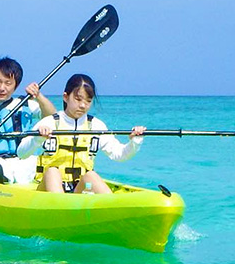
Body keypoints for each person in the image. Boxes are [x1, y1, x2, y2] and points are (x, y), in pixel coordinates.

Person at [17, 73, 145, 194]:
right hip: (47, 191)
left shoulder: (96, 125)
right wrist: (37, 139)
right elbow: (21, 153)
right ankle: (61, 209)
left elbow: (119, 154)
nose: (83, 105)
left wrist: (135, 141)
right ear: (65, 97)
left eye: (88, 101)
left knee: (91, 176)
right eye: (78, 99)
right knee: (52, 172)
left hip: (80, 190)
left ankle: (116, 209)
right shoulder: (49, 122)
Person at [0, 57, 56, 184]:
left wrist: (38, 96)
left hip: (23, 159)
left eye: (8, 83)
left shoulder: (25, 104)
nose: (2, 88)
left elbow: (52, 116)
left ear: (16, 85)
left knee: (49, 166)